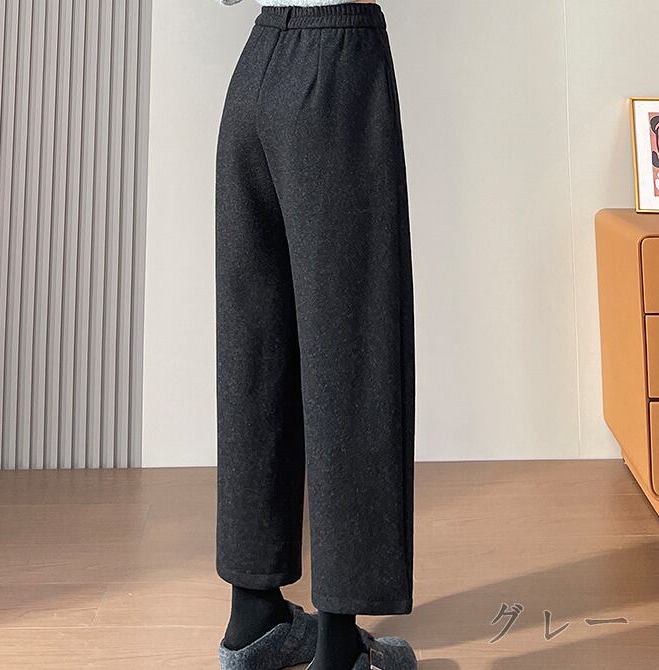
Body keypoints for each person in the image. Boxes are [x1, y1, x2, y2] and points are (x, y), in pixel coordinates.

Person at [214, 1, 416, 668]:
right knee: (354, 350)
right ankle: (339, 648)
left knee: (255, 350)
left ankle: (255, 620)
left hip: (255, 68)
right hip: (336, 64)